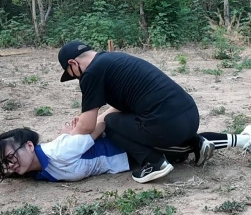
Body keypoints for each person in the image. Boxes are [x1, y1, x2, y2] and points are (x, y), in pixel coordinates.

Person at [58, 40, 209, 183]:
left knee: (111, 124)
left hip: (168, 127)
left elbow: (87, 126)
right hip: (191, 118)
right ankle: (195, 142)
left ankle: (154, 162)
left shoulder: (91, 73)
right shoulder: (114, 59)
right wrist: (97, 120)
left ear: (73, 63)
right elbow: (122, 106)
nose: (78, 78)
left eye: (73, 74)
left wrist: (70, 135)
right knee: (120, 118)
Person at [0, 123, 251, 182]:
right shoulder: (38, 171)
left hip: (128, 145)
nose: (10, 164)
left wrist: (74, 132)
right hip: (127, 160)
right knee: (183, 149)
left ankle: (248, 139)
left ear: (30, 146)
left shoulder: (59, 151)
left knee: (185, 145)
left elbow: (100, 124)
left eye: (11, 156)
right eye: (5, 163)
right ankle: (244, 137)